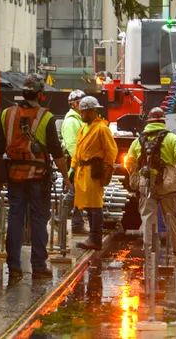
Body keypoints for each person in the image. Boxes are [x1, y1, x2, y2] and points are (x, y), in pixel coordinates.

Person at [0, 74, 71, 280]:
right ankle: (38, 266)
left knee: (15, 219)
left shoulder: (6, 114)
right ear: (40, 94)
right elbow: (56, 151)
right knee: (38, 220)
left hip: (14, 175)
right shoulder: (46, 117)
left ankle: (14, 266)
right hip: (38, 177)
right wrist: (66, 177)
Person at [128, 107, 176, 258]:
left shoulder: (139, 141)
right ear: (163, 121)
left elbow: (129, 161)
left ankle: (150, 253)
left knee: (148, 220)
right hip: (167, 186)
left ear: (148, 121)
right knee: (173, 220)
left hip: (146, 184)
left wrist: (136, 176)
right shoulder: (171, 138)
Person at [73, 95, 117, 250]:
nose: (81, 114)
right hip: (82, 171)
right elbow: (78, 150)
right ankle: (92, 237)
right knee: (87, 205)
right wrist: (73, 168)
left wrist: (107, 171)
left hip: (94, 172)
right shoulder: (83, 129)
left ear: (92, 112)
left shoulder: (101, 129)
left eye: (83, 112)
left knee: (95, 206)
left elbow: (111, 152)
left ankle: (95, 238)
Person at [61, 89, 87, 234]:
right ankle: (59, 218)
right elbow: (72, 145)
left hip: (80, 161)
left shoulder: (79, 120)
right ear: (75, 104)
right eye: (81, 103)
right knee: (74, 192)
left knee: (79, 193)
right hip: (76, 161)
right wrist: (78, 163)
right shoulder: (71, 121)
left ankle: (77, 224)